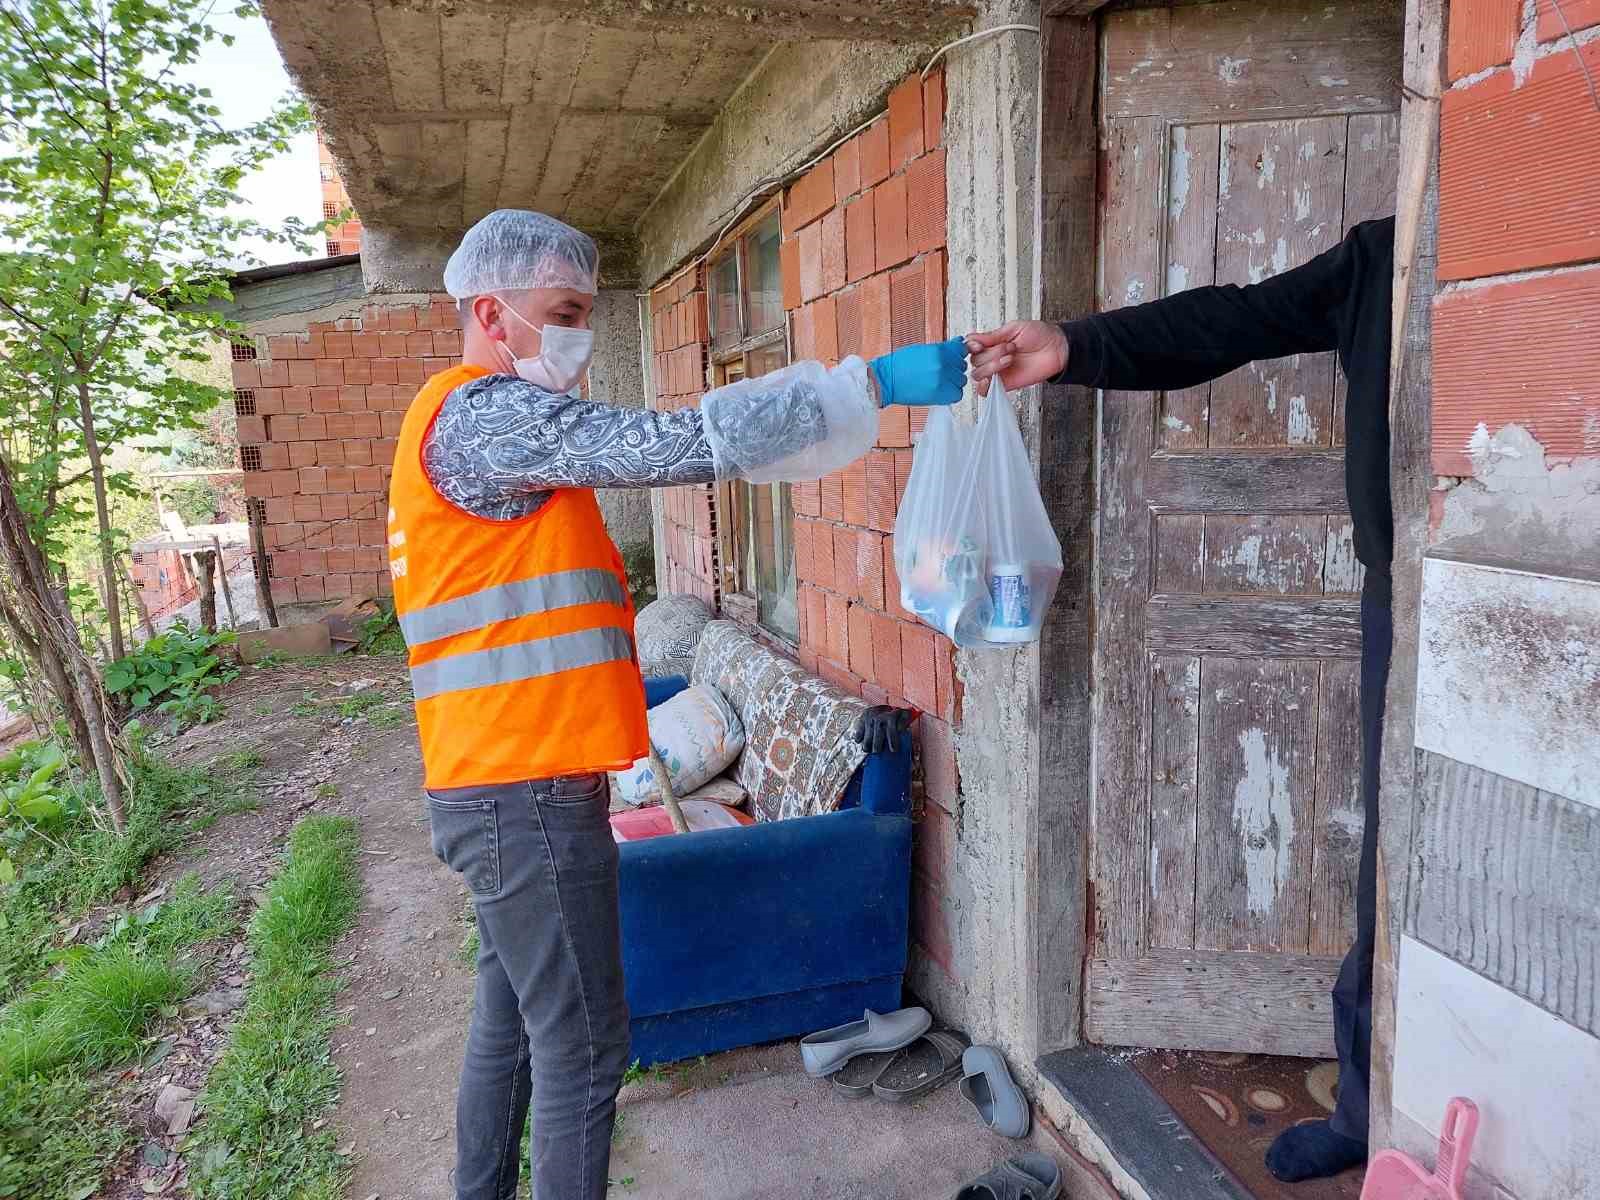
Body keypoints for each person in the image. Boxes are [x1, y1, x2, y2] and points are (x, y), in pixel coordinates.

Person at [387, 208, 965, 1200]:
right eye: (565, 313)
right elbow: (674, 442)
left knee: (513, 1020)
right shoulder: (487, 416)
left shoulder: (452, 424)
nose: (580, 335)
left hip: (495, 787)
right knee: (583, 1052)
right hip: (523, 792)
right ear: (491, 313)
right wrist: (864, 385)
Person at [967, 216, 1396, 1184]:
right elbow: (1231, 322)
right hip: (1400, 602)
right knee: (1392, 864)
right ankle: (1368, 1111)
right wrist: (1072, 344)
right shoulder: (1385, 255)